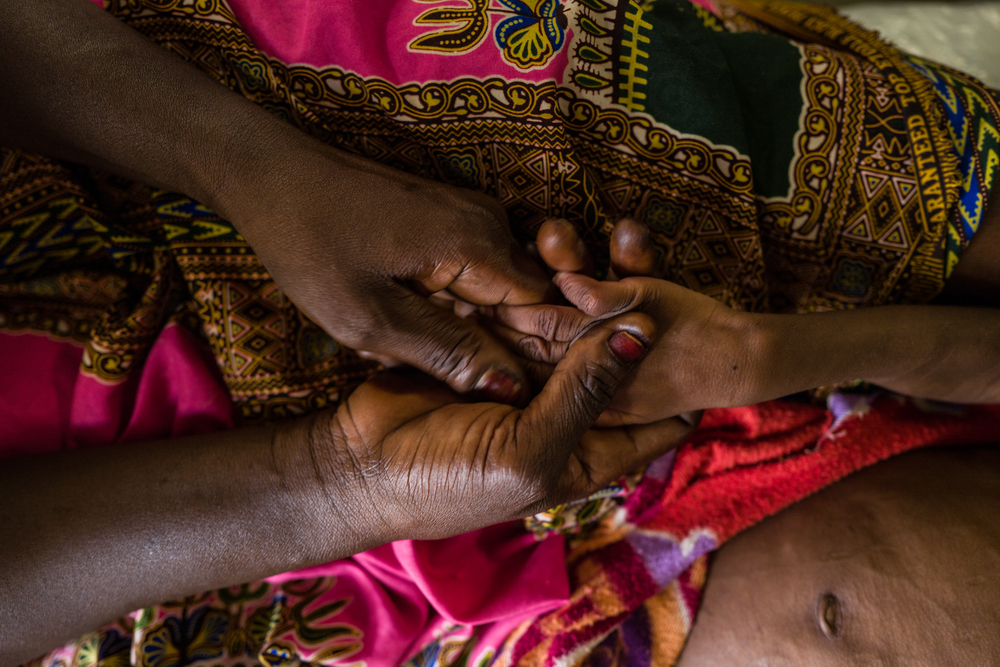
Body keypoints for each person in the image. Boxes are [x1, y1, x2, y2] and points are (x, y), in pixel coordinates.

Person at [1, 0, 998, 665]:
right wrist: (337, 482)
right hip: (157, 541)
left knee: (627, 130)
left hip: (133, 121)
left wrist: (257, 171)